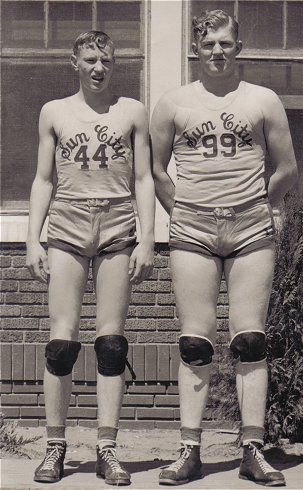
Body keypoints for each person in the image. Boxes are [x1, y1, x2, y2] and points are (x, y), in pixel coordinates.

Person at [151, 9, 298, 487]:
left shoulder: (263, 100)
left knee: (249, 339)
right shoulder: (173, 103)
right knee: (195, 341)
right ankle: (189, 450)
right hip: (192, 228)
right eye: (209, 44)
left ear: (239, 48)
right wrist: (184, 212)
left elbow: (286, 169)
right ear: (196, 48)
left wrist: (258, 206)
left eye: (226, 44)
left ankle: (251, 449)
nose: (217, 52)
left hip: (250, 227)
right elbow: (157, 171)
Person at [26, 31, 155, 486]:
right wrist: (32, 238)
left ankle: (107, 448)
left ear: (114, 63)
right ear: (74, 62)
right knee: (60, 344)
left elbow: (143, 178)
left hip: (117, 224)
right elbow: (44, 179)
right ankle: (55, 446)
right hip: (68, 225)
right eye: (90, 59)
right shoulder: (55, 112)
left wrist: (147, 239)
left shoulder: (132, 112)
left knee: (111, 343)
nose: (98, 67)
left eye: (106, 59)